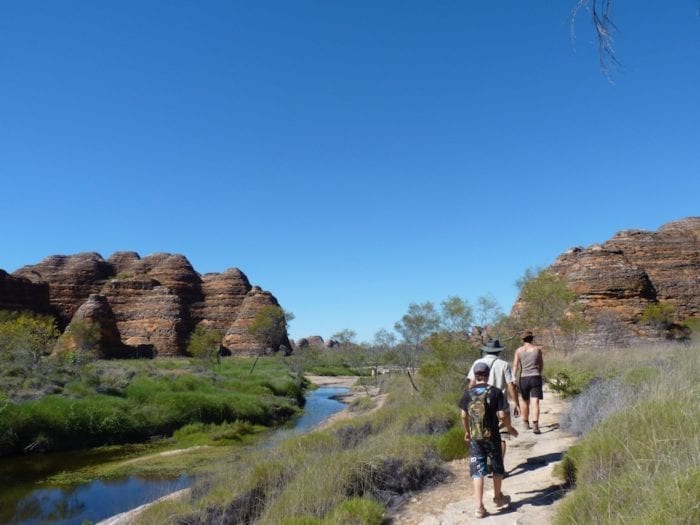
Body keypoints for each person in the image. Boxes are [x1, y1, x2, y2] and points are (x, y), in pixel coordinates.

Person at [460, 361, 518, 518]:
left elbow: (464, 415)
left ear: (475, 376)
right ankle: (498, 498)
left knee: (477, 471)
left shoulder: (467, 393)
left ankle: (479, 507)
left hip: (475, 438)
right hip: (493, 436)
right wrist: (510, 429)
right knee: (497, 467)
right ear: (488, 375)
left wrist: (467, 432)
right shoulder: (495, 392)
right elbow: (502, 414)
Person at [467, 339, 520, 459]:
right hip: (499, 405)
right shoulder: (504, 364)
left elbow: (471, 384)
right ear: (498, 352)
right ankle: (498, 466)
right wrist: (516, 404)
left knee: (481, 434)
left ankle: (485, 461)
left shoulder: (477, 363)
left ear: (486, 351)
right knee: (502, 435)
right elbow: (511, 385)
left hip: (479, 405)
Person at [512, 331, 544, 434]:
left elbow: (515, 365)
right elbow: (541, 364)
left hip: (523, 378)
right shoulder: (537, 350)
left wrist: (513, 378)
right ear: (532, 339)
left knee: (525, 401)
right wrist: (538, 373)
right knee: (535, 402)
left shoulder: (519, 351)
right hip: (535, 377)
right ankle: (535, 425)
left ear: (523, 340)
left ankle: (526, 423)